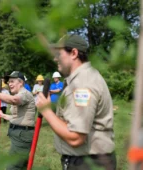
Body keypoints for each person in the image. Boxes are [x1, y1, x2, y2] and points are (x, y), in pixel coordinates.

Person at [36, 34, 116, 170]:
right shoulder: (81, 79)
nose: (55, 58)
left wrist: (46, 111)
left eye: (58, 54)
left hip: (88, 163)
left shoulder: (82, 84)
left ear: (73, 53)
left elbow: (76, 137)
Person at [0, 71, 35, 170]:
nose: (9, 84)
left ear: (21, 83)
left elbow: (14, 100)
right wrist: (4, 116)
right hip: (19, 134)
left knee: (13, 167)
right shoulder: (19, 93)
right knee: (21, 166)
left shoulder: (24, 93)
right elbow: (18, 117)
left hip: (22, 135)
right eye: (9, 82)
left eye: (12, 81)